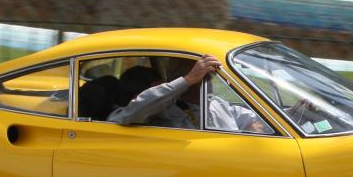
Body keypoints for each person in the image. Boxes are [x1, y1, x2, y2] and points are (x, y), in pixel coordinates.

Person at [107, 55, 270, 133]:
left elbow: (250, 118)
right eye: (205, 79)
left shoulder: (215, 104)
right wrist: (187, 80)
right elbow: (132, 114)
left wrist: (252, 125)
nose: (210, 84)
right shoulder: (161, 110)